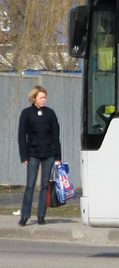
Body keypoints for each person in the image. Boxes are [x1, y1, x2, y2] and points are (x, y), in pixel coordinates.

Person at [17, 85, 61, 226]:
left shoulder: (50, 113)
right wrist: (23, 156)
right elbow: (21, 136)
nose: (44, 100)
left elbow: (56, 136)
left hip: (49, 153)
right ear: (34, 98)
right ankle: (25, 215)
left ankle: (41, 215)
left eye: (45, 97)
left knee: (44, 185)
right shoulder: (26, 113)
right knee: (30, 185)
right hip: (33, 154)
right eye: (41, 97)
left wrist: (58, 157)